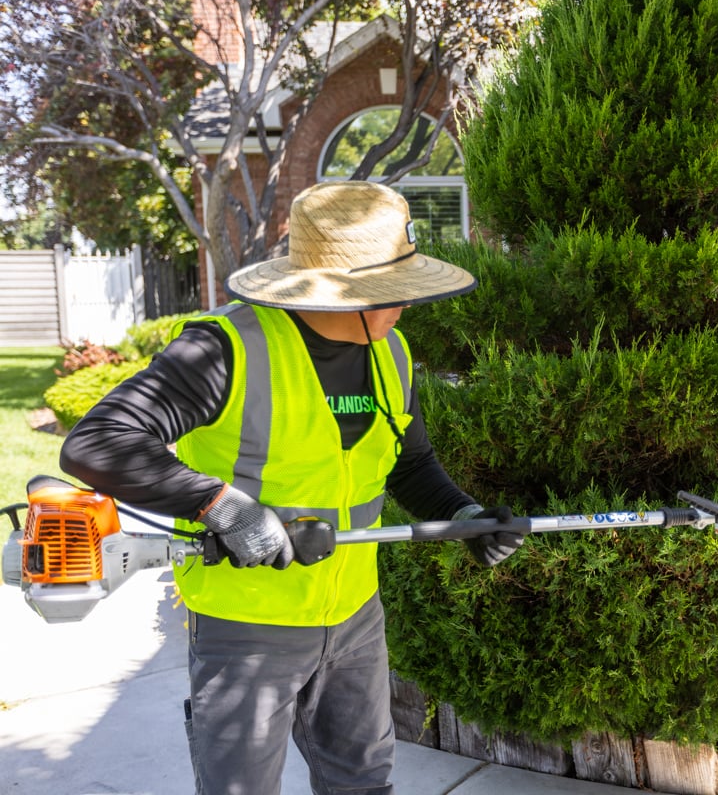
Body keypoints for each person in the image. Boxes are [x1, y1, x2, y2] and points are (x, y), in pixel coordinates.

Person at [59, 180, 525, 795]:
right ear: (335, 290)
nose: (407, 303)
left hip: (355, 615)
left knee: (364, 783)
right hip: (247, 626)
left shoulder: (391, 350)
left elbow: (408, 464)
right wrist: (223, 507)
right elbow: (97, 443)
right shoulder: (225, 349)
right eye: (392, 290)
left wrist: (463, 515)